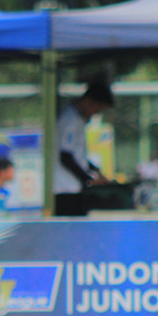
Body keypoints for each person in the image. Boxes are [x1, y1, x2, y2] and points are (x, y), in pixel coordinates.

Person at [54, 81, 113, 217]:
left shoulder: (78, 120)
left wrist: (96, 171)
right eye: (97, 110)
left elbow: (78, 156)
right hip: (65, 190)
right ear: (87, 102)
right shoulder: (70, 121)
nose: (94, 114)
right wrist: (88, 179)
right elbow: (65, 156)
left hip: (73, 188)